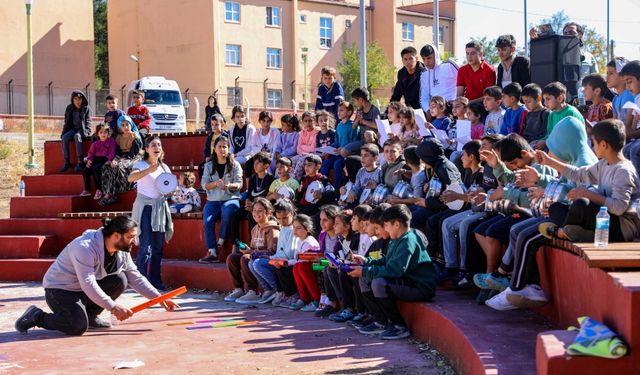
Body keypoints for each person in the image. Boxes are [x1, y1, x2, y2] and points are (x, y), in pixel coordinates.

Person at [14, 216, 179, 336]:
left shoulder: (121, 251)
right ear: (116, 235)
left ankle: (91, 316)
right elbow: (88, 283)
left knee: (120, 279)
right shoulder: (84, 247)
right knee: (77, 326)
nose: (134, 241)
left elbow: (135, 277)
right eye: (130, 237)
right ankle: (37, 316)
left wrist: (160, 298)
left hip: (83, 289)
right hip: (60, 289)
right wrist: (113, 307)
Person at [538, 119, 640, 243]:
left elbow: (618, 208)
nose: (593, 146)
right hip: (604, 218)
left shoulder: (623, 171)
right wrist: (549, 161)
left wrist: (587, 194)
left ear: (603, 145)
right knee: (555, 208)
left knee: (581, 204)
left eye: (594, 143)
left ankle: (562, 232)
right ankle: (575, 232)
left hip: (621, 228)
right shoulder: (603, 164)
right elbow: (578, 174)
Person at [348, 204, 436, 340]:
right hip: (406, 281)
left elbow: (395, 270)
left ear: (396, 224)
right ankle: (380, 321)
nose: (385, 229)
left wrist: (365, 271)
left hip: (419, 287)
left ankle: (399, 326)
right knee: (365, 279)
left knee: (378, 283)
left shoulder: (408, 241)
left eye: (386, 225)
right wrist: (366, 261)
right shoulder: (396, 239)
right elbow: (387, 261)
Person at [128, 136, 174, 290]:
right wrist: (148, 170)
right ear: (147, 149)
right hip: (145, 208)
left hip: (160, 209)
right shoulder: (140, 164)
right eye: (153, 145)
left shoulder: (165, 167)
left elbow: (168, 188)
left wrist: (171, 192)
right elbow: (131, 178)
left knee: (157, 248)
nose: (157, 147)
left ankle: (155, 281)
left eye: (159, 145)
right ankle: (141, 283)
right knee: (145, 247)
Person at [199, 136, 243, 264]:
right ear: (215, 148)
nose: (222, 149)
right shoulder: (208, 165)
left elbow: (239, 183)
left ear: (228, 149)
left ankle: (222, 239)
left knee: (228, 213)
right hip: (212, 201)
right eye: (219, 146)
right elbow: (204, 184)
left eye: (225, 146)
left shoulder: (235, 165)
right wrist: (216, 184)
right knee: (207, 221)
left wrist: (228, 186)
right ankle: (212, 252)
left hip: (230, 198)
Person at [233, 198, 281, 305]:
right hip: (257, 258)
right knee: (232, 258)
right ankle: (239, 289)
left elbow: (272, 252)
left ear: (268, 212)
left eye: (260, 211)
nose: (256, 213)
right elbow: (254, 248)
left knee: (248, 259)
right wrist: (248, 249)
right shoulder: (255, 229)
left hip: (271, 262)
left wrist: (251, 253)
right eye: (254, 210)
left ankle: (275, 290)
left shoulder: (273, 229)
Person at [412, 138, 462, 232]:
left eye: (423, 157)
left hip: (445, 207)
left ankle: (424, 244)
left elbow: (453, 196)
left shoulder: (445, 168)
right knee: (409, 211)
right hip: (435, 203)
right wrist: (429, 184)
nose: (422, 161)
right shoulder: (434, 164)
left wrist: (427, 203)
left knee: (416, 218)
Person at [263, 199, 300, 307]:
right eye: (279, 218)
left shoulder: (294, 229)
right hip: (283, 258)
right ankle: (281, 292)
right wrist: (273, 257)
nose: (282, 221)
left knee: (280, 268)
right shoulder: (283, 228)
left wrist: (276, 259)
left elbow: (290, 251)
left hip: (292, 261)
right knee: (274, 266)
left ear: (292, 214)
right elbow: (281, 249)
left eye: (285, 218)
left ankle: (292, 295)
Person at [99, 115, 143, 206]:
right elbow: (117, 151)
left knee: (119, 166)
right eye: (122, 125)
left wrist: (119, 160)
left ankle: (110, 194)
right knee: (106, 166)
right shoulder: (119, 137)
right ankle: (111, 194)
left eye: (127, 124)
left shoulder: (135, 137)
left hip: (133, 158)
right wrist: (115, 159)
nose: (125, 127)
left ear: (131, 125)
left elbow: (133, 154)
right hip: (121, 157)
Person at [321, 101, 359, 189]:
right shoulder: (339, 126)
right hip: (338, 153)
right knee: (326, 163)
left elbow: (354, 143)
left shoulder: (353, 126)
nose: (339, 112)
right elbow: (337, 142)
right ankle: (323, 186)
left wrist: (343, 149)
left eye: (341, 110)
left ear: (349, 112)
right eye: (338, 110)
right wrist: (327, 150)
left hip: (347, 155)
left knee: (337, 164)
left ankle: (337, 189)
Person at [539, 82, 585, 150]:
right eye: (544, 100)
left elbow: (572, 137)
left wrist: (547, 142)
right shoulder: (552, 115)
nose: (545, 103)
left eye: (548, 99)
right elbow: (550, 134)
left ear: (560, 98)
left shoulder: (571, 113)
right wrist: (543, 141)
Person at [289, 214, 322, 310]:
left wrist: (290, 262)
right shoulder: (299, 241)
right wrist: (286, 262)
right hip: (305, 264)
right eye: (294, 227)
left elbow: (305, 260)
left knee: (302, 266)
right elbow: (297, 260)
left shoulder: (309, 242)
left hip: (319, 266)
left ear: (307, 229)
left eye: (298, 228)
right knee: (297, 267)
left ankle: (317, 299)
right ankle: (305, 298)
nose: (295, 230)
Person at [419, 43, 459, 112]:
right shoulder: (424, 74)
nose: (426, 62)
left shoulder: (449, 65)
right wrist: (428, 110)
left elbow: (465, 83)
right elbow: (424, 98)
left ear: (436, 56)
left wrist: (458, 102)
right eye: (424, 59)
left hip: (454, 109)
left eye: (429, 58)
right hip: (436, 112)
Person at [81, 124, 116, 200]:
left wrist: (110, 160)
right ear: (97, 134)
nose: (103, 134)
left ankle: (99, 190)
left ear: (108, 133)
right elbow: (91, 153)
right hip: (95, 159)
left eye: (105, 132)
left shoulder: (111, 141)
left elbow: (112, 152)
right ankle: (87, 189)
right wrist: (89, 159)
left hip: (104, 159)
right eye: (101, 132)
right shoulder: (95, 143)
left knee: (96, 169)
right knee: (85, 171)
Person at [60, 90, 93, 172]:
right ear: (72, 100)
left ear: (83, 100)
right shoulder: (69, 108)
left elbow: (88, 122)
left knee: (77, 136)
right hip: (73, 129)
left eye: (79, 99)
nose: (78, 101)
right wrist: (64, 131)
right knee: (64, 137)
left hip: (83, 130)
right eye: (75, 99)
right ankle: (67, 162)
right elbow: (67, 121)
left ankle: (80, 162)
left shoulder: (86, 108)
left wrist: (87, 132)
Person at [619, 60, 640, 174]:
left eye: (630, 82)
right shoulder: (636, 99)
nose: (627, 87)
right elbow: (632, 126)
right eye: (626, 83)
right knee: (626, 149)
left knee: (635, 150)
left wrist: (623, 136)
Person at [199, 114, 229, 181]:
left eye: (217, 124)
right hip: (211, 157)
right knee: (201, 166)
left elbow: (228, 148)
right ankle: (203, 184)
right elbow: (207, 148)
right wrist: (207, 156)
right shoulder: (210, 136)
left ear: (222, 125)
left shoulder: (225, 136)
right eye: (212, 125)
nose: (214, 127)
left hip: (221, 157)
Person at [291, 111, 320, 180]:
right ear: (303, 122)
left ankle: (295, 181)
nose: (308, 123)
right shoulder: (302, 132)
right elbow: (298, 149)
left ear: (315, 121)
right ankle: (287, 180)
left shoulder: (317, 132)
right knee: (291, 161)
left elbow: (313, 148)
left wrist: (303, 146)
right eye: (305, 121)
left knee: (301, 161)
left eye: (310, 121)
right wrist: (305, 148)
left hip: (313, 154)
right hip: (302, 154)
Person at [607, 57, 634, 128]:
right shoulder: (615, 99)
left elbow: (631, 126)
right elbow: (615, 124)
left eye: (611, 73)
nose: (607, 77)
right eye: (607, 73)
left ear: (622, 76)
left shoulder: (630, 95)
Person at [521, 84, 550, 148]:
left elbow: (544, 133)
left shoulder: (546, 113)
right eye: (524, 102)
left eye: (528, 101)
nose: (525, 105)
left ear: (538, 98)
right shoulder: (528, 114)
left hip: (537, 144)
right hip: (527, 143)